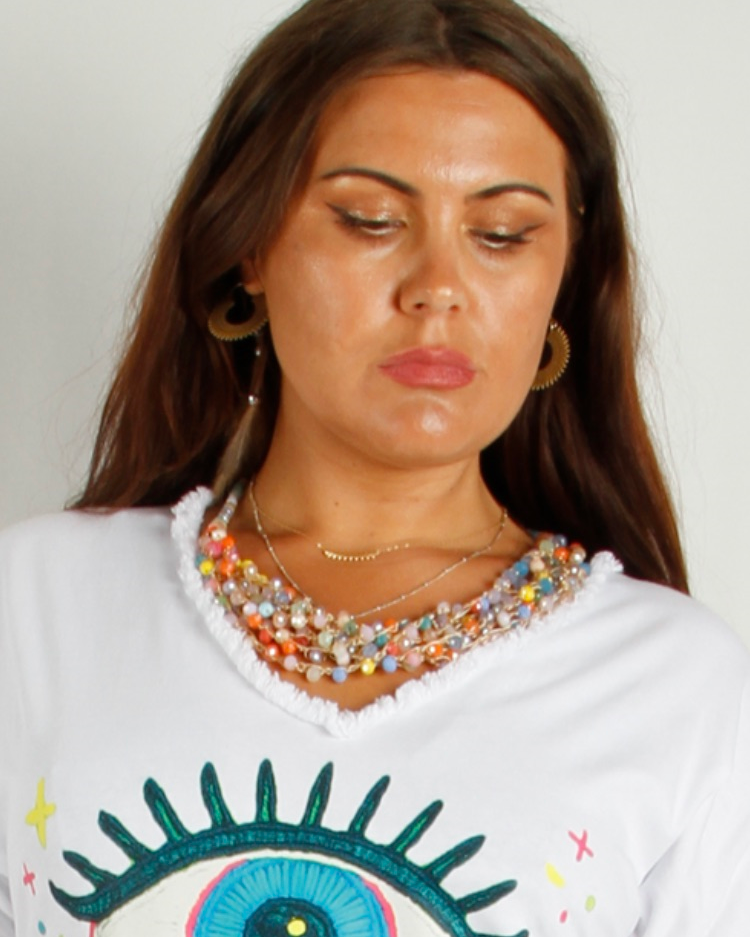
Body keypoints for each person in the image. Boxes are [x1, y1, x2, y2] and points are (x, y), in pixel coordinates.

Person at [1, 0, 748, 933]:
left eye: (502, 234)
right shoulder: (35, 607)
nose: (439, 288)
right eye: (372, 220)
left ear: (565, 274)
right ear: (248, 249)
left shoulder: (681, 687)